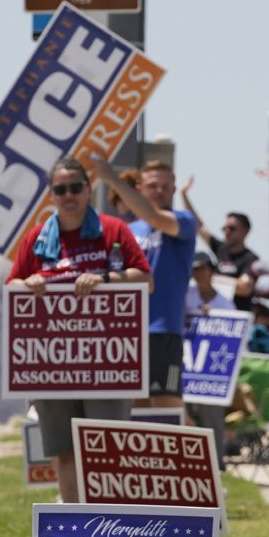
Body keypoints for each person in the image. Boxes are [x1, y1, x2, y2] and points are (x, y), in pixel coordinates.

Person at [7, 156, 152, 503]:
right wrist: (30, 283)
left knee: (106, 451)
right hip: (53, 366)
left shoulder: (114, 231)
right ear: (51, 195)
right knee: (65, 452)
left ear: (89, 189)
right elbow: (12, 288)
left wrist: (105, 279)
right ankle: (75, 525)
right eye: (60, 189)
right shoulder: (36, 239)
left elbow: (146, 279)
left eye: (75, 187)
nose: (68, 194)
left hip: (108, 364)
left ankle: (108, 529)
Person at [92, 156, 196, 411]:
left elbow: (156, 218)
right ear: (140, 188)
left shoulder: (183, 221)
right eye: (152, 186)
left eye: (165, 186)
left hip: (163, 330)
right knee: (135, 410)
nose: (159, 191)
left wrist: (111, 178)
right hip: (127, 330)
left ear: (173, 189)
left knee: (166, 409)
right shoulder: (126, 230)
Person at [184, 251, 236, 468]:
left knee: (212, 417)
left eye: (202, 268)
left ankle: (216, 462)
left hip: (213, 370)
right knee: (188, 416)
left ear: (211, 270)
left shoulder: (226, 304)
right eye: (195, 269)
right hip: (188, 365)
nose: (198, 273)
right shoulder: (186, 296)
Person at [181, 178, 260, 311]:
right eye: (225, 228)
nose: (227, 232)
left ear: (245, 231)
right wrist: (183, 195)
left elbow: (244, 287)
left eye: (232, 228)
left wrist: (210, 278)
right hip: (216, 315)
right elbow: (199, 227)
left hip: (237, 318)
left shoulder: (251, 258)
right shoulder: (220, 248)